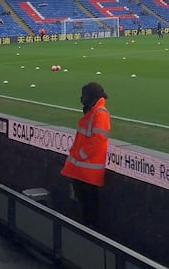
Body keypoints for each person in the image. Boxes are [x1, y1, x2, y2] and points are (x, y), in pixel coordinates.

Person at [61, 82, 111, 228]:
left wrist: (80, 154)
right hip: (82, 171)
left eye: (84, 95)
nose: (81, 98)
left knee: (90, 208)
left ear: (91, 97)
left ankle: (90, 235)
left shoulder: (99, 113)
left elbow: (98, 139)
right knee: (84, 206)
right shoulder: (92, 111)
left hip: (88, 172)